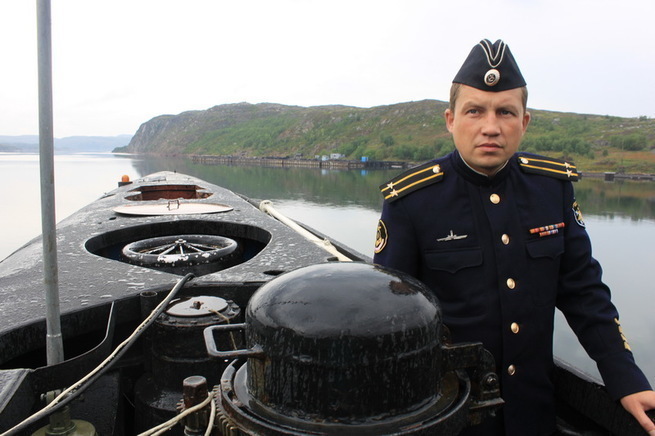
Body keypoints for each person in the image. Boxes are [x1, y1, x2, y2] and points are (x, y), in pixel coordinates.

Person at [373, 39, 655, 435]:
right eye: (475, 111)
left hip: (533, 413)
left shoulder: (552, 189)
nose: (491, 127)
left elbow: (583, 292)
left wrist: (626, 378)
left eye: (505, 111)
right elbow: (392, 319)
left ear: (524, 122)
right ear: (451, 120)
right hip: (450, 416)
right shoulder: (411, 201)